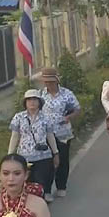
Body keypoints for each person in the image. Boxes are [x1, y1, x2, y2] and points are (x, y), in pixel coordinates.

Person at [9, 90, 60, 203]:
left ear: (39, 102)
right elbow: (15, 137)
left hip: (43, 155)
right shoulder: (19, 117)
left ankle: (42, 198)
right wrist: (10, 155)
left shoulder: (46, 118)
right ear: (25, 103)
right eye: (29, 100)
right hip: (24, 156)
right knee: (27, 180)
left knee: (42, 179)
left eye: (34, 100)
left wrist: (55, 152)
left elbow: (50, 136)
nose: (32, 102)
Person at [38, 68, 80, 198]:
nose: (48, 84)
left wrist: (68, 117)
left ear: (56, 80)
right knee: (47, 162)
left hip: (62, 132)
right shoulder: (40, 94)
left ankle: (61, 185)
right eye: (46, 82)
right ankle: (47, 190)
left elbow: (77, 109)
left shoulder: (66, 94)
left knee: (62, 160)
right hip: (45, 133)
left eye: (51, 81)